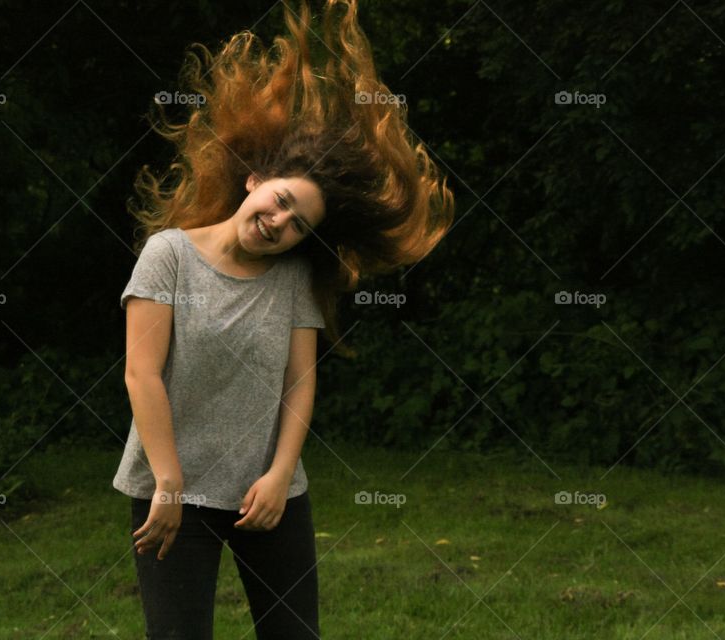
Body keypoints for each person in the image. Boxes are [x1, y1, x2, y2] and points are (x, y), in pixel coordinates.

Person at [113, 1, 455, 638]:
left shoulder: (293, 279)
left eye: (299, 225)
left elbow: (299, 384)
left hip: (267, 492)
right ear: (255, 182)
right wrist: (167, 482)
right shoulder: (170, 256)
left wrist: (277, 476)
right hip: (172, 490)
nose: (280, 224)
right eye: (282, 202)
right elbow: (142, 375)